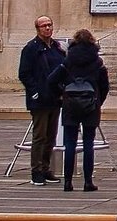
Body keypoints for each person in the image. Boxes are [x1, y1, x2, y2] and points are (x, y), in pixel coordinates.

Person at [48, 27, 109, 192]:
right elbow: (105, 86)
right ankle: (88, 181)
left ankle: (68, 182)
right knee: (88, 144)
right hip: (91, 105)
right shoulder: (97, 62)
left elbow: (51, 80)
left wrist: (62, 95)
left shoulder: (68, 61)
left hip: (70, 105)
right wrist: (98, 102)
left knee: (70, 144)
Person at [17, 15, 66, 186]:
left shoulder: (56, 48)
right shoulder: (31, 48)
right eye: (44, 26)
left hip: (55, 97)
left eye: (49, 25)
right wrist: (35, 91)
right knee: (40, 136)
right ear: (37, 29)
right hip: (40, 99)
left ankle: (46, 168)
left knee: (51, 136)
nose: (47, 28)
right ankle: (36, 170)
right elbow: (24, 73)